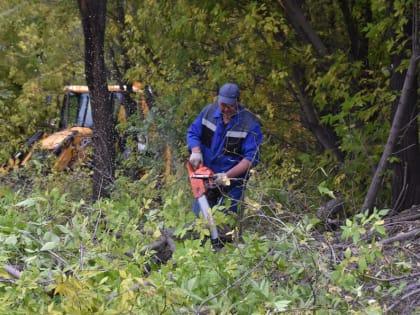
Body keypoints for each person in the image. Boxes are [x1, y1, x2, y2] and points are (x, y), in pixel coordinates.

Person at [186, 83, 263, 239]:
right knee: (200, 224)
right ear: (218, 100)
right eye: (223, 105)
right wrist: (195, 150)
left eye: (230, 105)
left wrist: (226, 176)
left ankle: (224, 251)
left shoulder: (249, 124)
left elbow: (251, 158)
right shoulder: (208, 112)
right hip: (206, 179)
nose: (226, 109)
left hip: (232, 183)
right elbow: (193, 133)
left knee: (225, 226)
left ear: (237, 102)